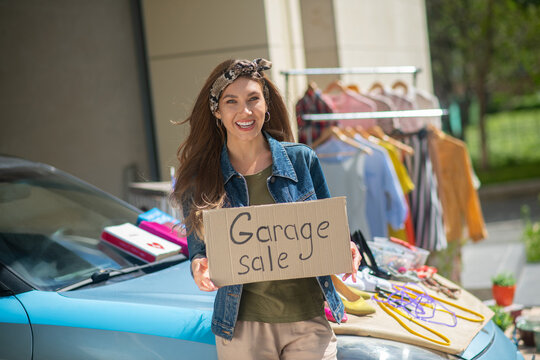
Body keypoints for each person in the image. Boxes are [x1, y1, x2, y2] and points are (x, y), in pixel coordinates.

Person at [172, 58, 361, 360]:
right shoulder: (201, 179)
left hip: (309, 323)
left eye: (253, 99)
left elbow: (332, 232)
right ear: (217, 111)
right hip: (243, 330)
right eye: (231, 101)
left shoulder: (303, 160)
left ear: (266, 105)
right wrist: (199, 265)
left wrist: (346, 249)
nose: (244, 112)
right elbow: (199, 252)